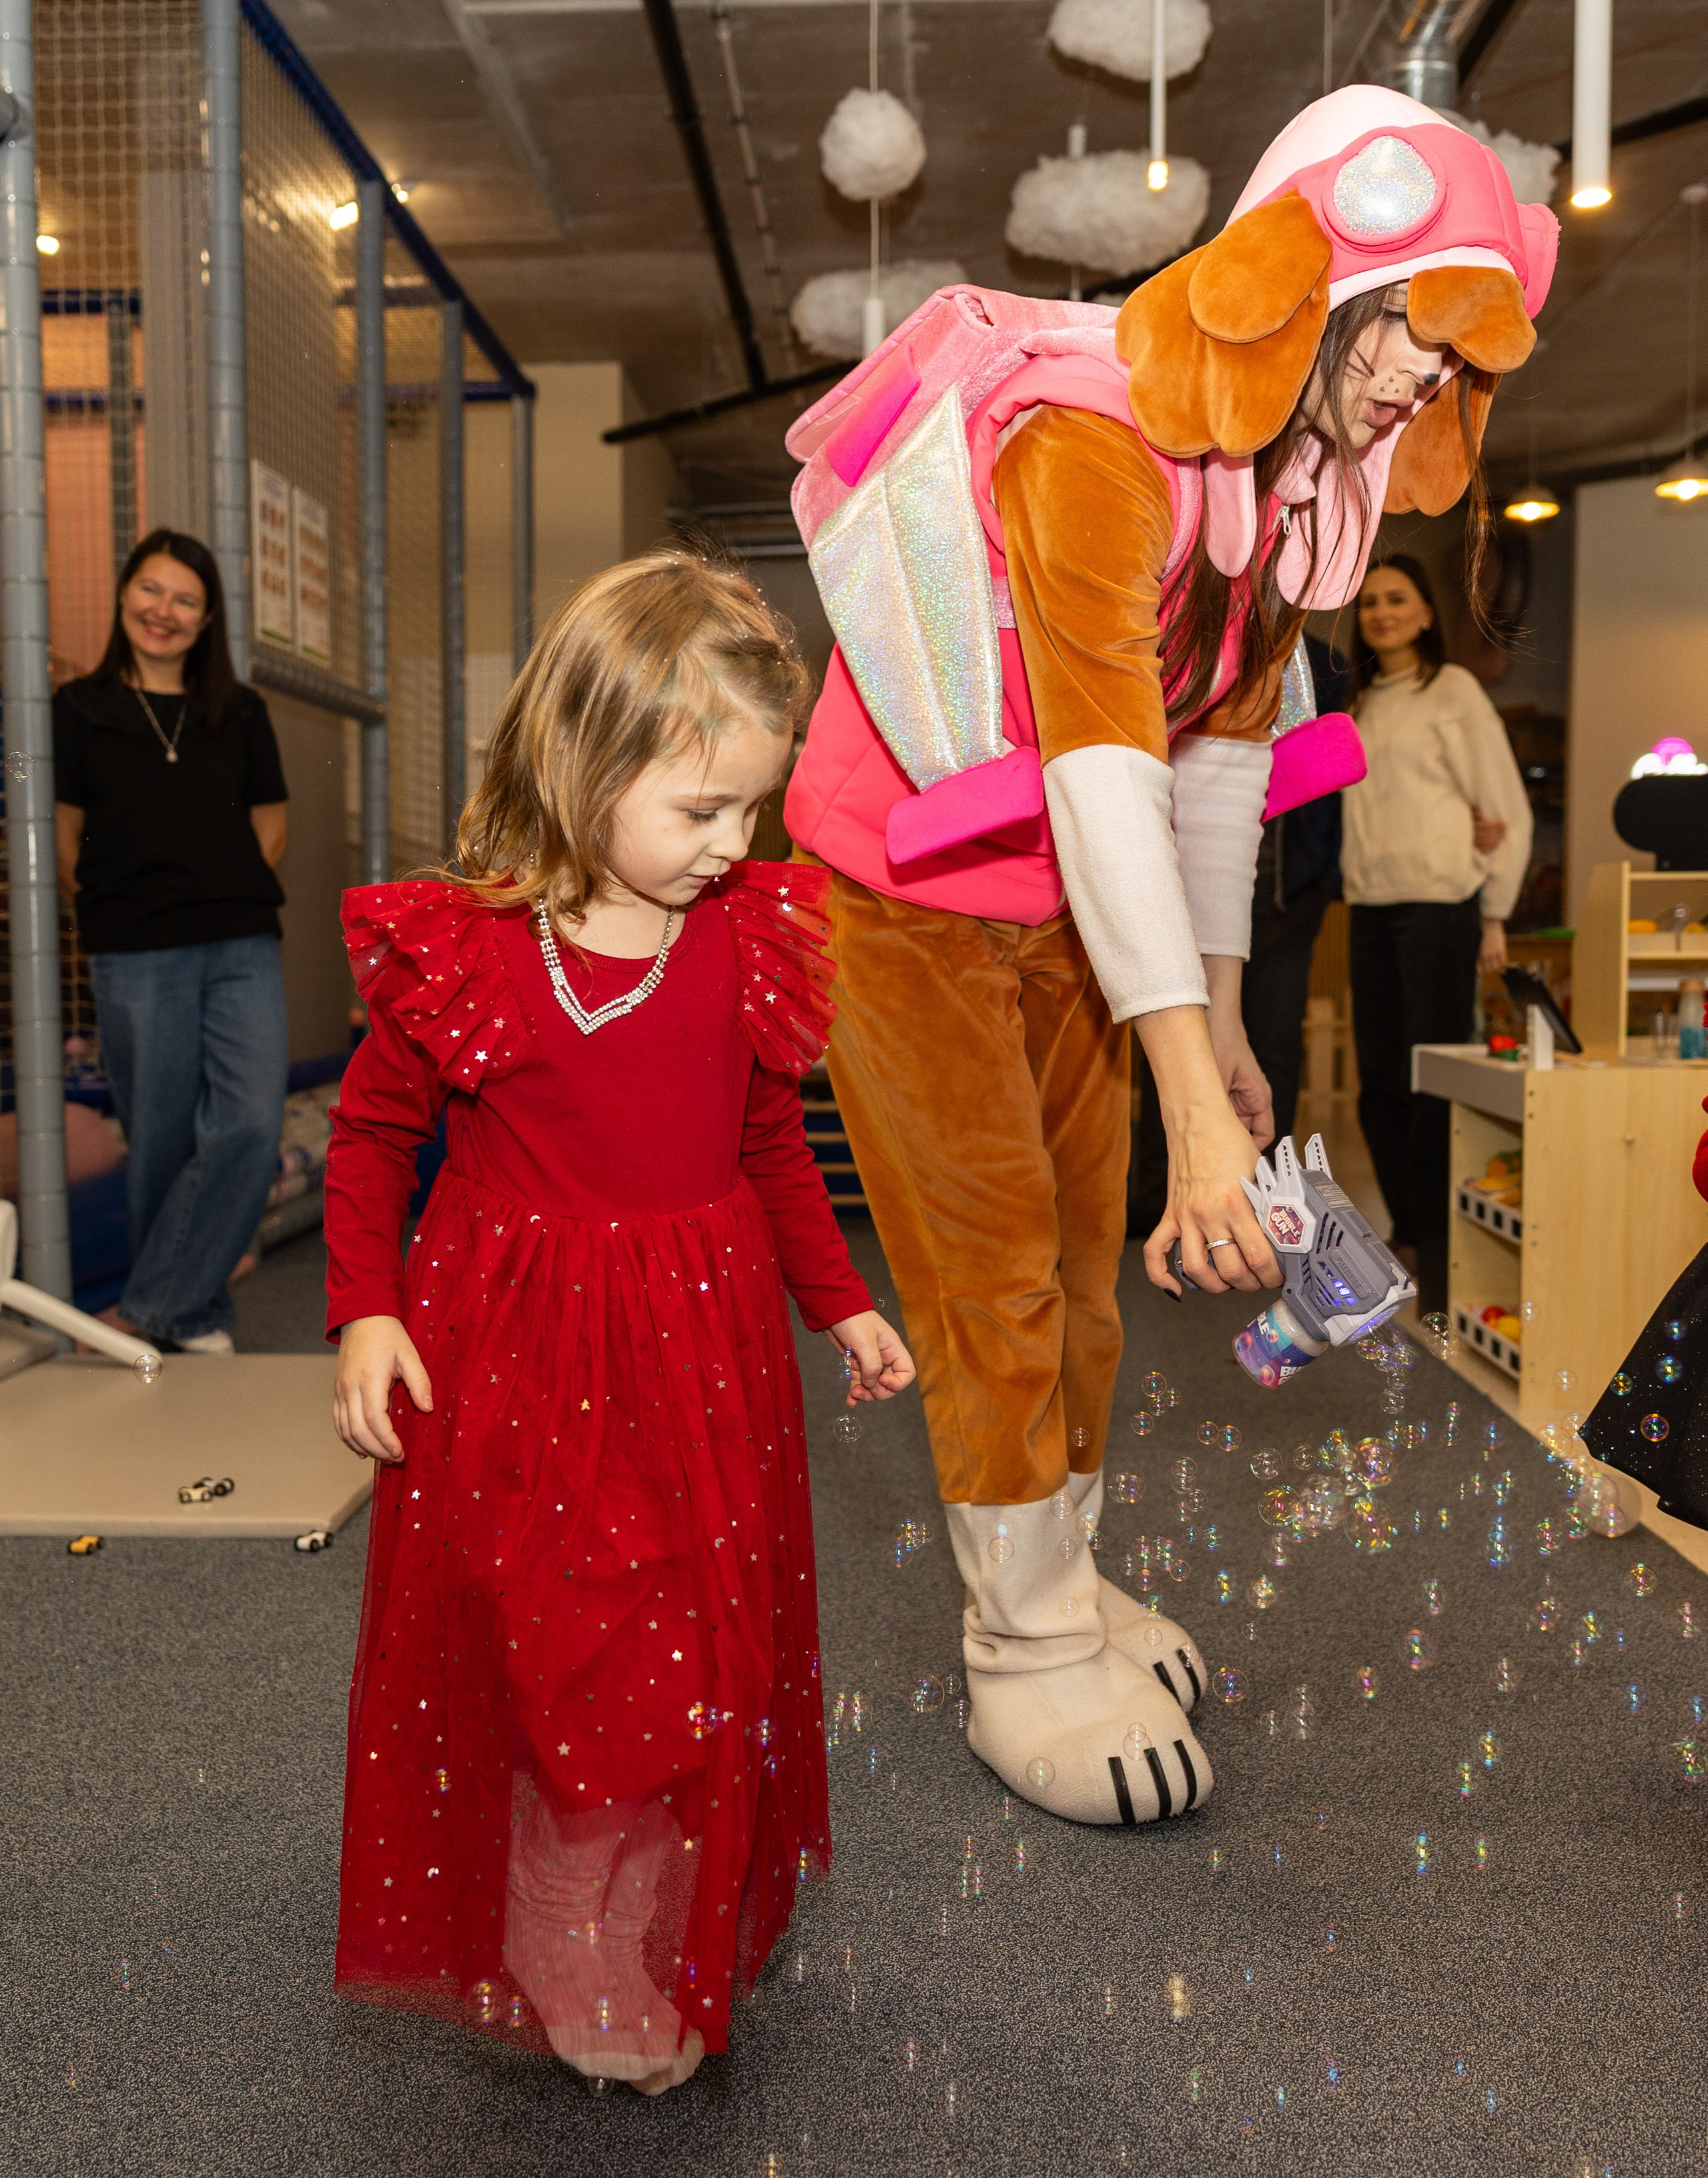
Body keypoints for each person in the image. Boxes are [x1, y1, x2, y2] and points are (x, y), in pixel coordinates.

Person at [781, 85, 1556, 1826]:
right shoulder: (1095, 445)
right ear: (1312, 293)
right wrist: (1194, 1115)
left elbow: (1216, 762)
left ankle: (1065, 1585)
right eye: (1410, 332)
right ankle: (1021, 1652)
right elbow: (1104, 767)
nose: (1427, 381)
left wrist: (1209, 1024)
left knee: (1083, 1279)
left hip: (1069, 904)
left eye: (1454, 353)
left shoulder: (1297, 501)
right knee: (990, 1280)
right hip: (906, 902)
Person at [323, 551, 914, 2093]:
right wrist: (363, 1312)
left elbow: (768, 1141)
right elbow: (376, 1137)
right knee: (559, 1652)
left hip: (695, 1355)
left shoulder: (743, 935)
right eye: (697, 809)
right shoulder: (463, 948)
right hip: (514, 1358)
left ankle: (646, 1923)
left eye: (748, 812)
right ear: (580, 761)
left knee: (684, 1657)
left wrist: (837, 1302)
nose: (730, 847)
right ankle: (566, 1923)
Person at [52, 528, 290, 1353]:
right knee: (158, 1139)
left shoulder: (240, 710)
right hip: (134, 947)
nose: (165, 611)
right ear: (124, 595)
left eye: (186, 599)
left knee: (253, 1125)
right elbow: (63, 831)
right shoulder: (79, 709)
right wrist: (116, 902)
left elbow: (271, 822)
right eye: (152, 591)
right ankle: (195, 1315)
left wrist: (215, 888)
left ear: (208, 617)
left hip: (240, 941)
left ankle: (149, 1310)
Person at [1342, 551, 1533, 1310]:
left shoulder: (1452, 691)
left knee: (1429, 1086)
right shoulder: (1355, 704)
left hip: (1440, 912)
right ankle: (1407, 1229)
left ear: (1425, 613)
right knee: (1378, 1088)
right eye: (1367, 603)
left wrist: (1493, 914)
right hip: (1369, 910)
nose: (1381, 612)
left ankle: (1440, 1242)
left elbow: (1505, 810)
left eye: (1397, 599)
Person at [1129, 633, 1348, 1238]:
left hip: (1285, 895)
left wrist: (1321, 877)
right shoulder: (1177, 639)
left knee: (1268, 1049)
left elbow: (1299, 791)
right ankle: (1160, 1193)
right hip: (1183, 882)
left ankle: (1271, 1208)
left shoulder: (1320, 663)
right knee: (1171, 1048)